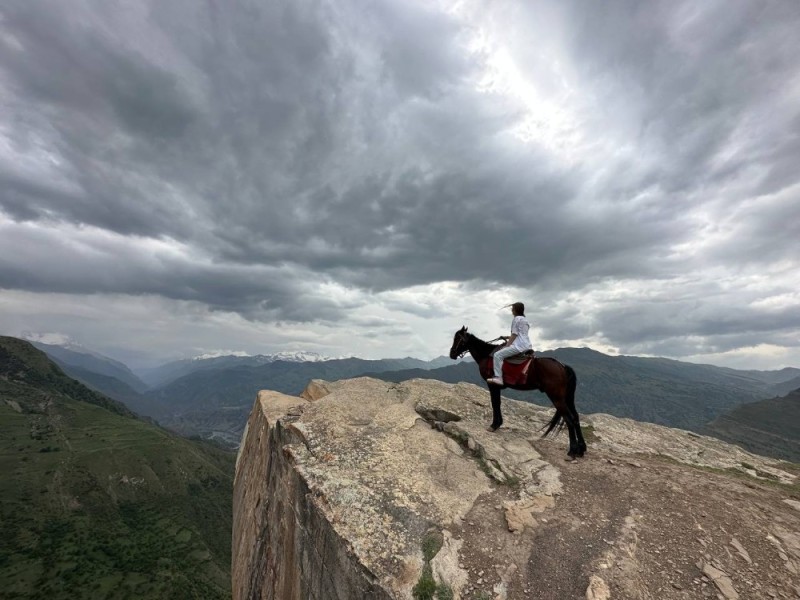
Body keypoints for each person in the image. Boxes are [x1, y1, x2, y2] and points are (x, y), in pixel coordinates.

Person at [487, 302, 532, 386]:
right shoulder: (525, 320)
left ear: (515, 310)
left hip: (519, 346)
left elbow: (514, 334)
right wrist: (508, 337)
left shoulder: (516, 319)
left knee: (497, 355)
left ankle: (498, 378)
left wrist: (507, 346)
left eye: (512, 309)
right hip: (527, 345)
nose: (512, 311)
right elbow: (521, 334)